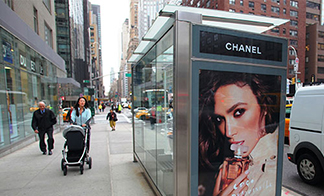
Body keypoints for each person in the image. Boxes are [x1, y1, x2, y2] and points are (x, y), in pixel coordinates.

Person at [198, 71, 280, 196]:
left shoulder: (272, 171)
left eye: (239, 112)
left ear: (264, 106)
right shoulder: (228, 166)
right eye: (219, 119)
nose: (228, 132)